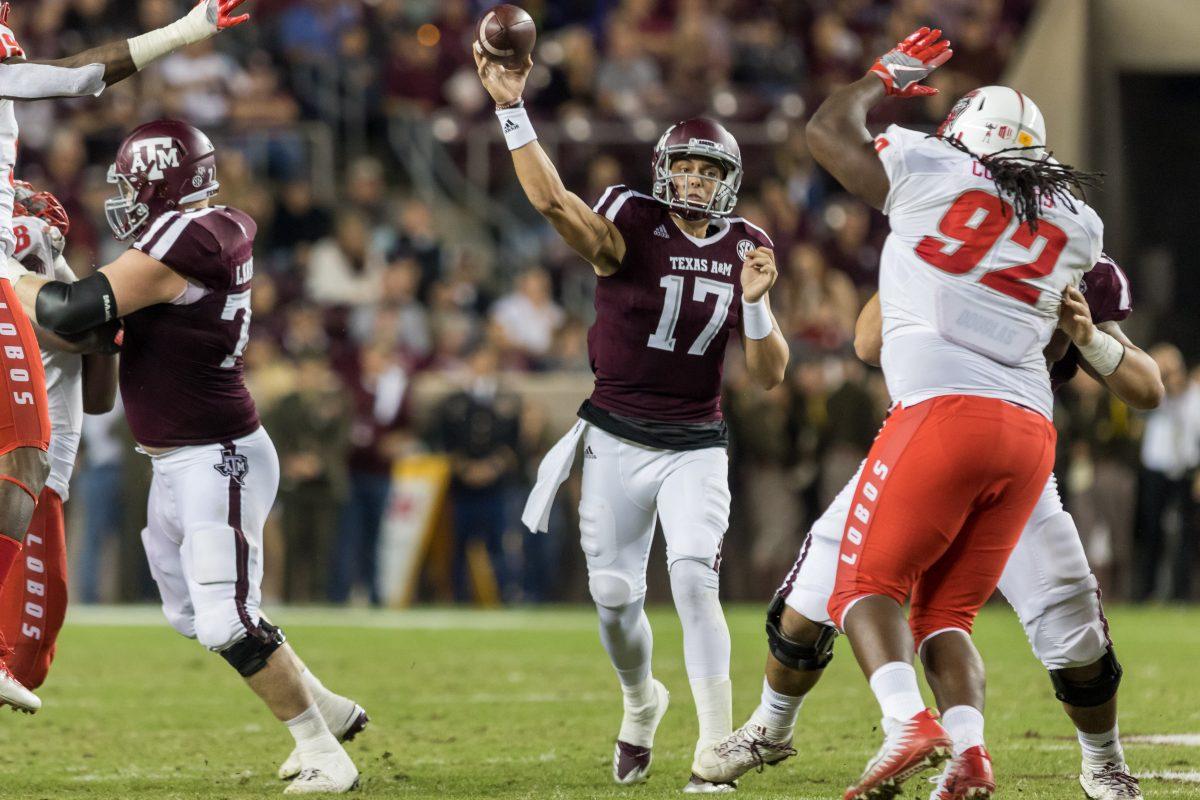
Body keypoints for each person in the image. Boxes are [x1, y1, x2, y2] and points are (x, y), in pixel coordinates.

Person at [697, 254, 1158, 800]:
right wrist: (913, 250)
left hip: (1009, 445)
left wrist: (1089, 337)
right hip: (924, 440)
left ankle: (1102, 761)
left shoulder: (1078, 259)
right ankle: (771, 727)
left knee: (1070, 623)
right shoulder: (944, 228)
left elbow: (1146, 388)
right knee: (808, 600)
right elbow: (869, 344)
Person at [4, 120, 363, 794]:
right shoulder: (208, 230)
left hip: (215, 455)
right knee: (196, 617)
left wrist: (6, 271)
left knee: (229, 620)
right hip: (183, 459)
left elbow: (70, 305)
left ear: (162, 180)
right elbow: (97, 330)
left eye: (131, 181)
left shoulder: (181, 241)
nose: (123, 194)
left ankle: (322, 750)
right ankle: (331, 711)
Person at [793, 28, 1103, 800]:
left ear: (963, 137)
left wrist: (882, 78)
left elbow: (827, 133)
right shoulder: (1077, 224)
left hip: (943, 410)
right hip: (1029, 436)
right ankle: (969, 751)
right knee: (947, 613)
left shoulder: (934, 167)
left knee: (861, 583)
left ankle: (908, 721)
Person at [475, 47, 790, 792]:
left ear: (730, 181)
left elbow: (772, 375)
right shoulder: (632, 217)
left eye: (711, 171)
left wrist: (755, 303)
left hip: (696, 443)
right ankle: (641, 700)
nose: (696, 181)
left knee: (691, 577)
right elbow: (556, 205)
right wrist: (510, 108)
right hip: (615, 436)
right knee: (616, 602)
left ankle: (717, 745)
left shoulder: (750, 245)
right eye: (686, 166)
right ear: (663, 169)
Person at [0, 0, 251, 713]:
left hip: (95, 449)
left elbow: (100, 380)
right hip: (167, 444)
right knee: (22, 455)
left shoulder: (179, 244)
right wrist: (188, 28)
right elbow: (76, 78)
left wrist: (97, 318)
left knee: (35, 653)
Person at [0, 183, 119, 691]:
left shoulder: (57, 273)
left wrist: (107, 335)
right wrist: (108, 322)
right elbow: (58, 322)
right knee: (25, 655)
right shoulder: (22, 256)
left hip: (44, 470)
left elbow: (99, 399)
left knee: (35, 647)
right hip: (25, 470)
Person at [1134, 343, 1200, 602]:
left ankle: (1181, 595)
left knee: (1186, 533)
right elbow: (1138, 411)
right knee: (1151, 532)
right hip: (1155, 470)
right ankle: (1145, 592)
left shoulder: (1194, 395)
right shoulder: (1152, 393)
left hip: (1186, 470)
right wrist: (1159, 382)